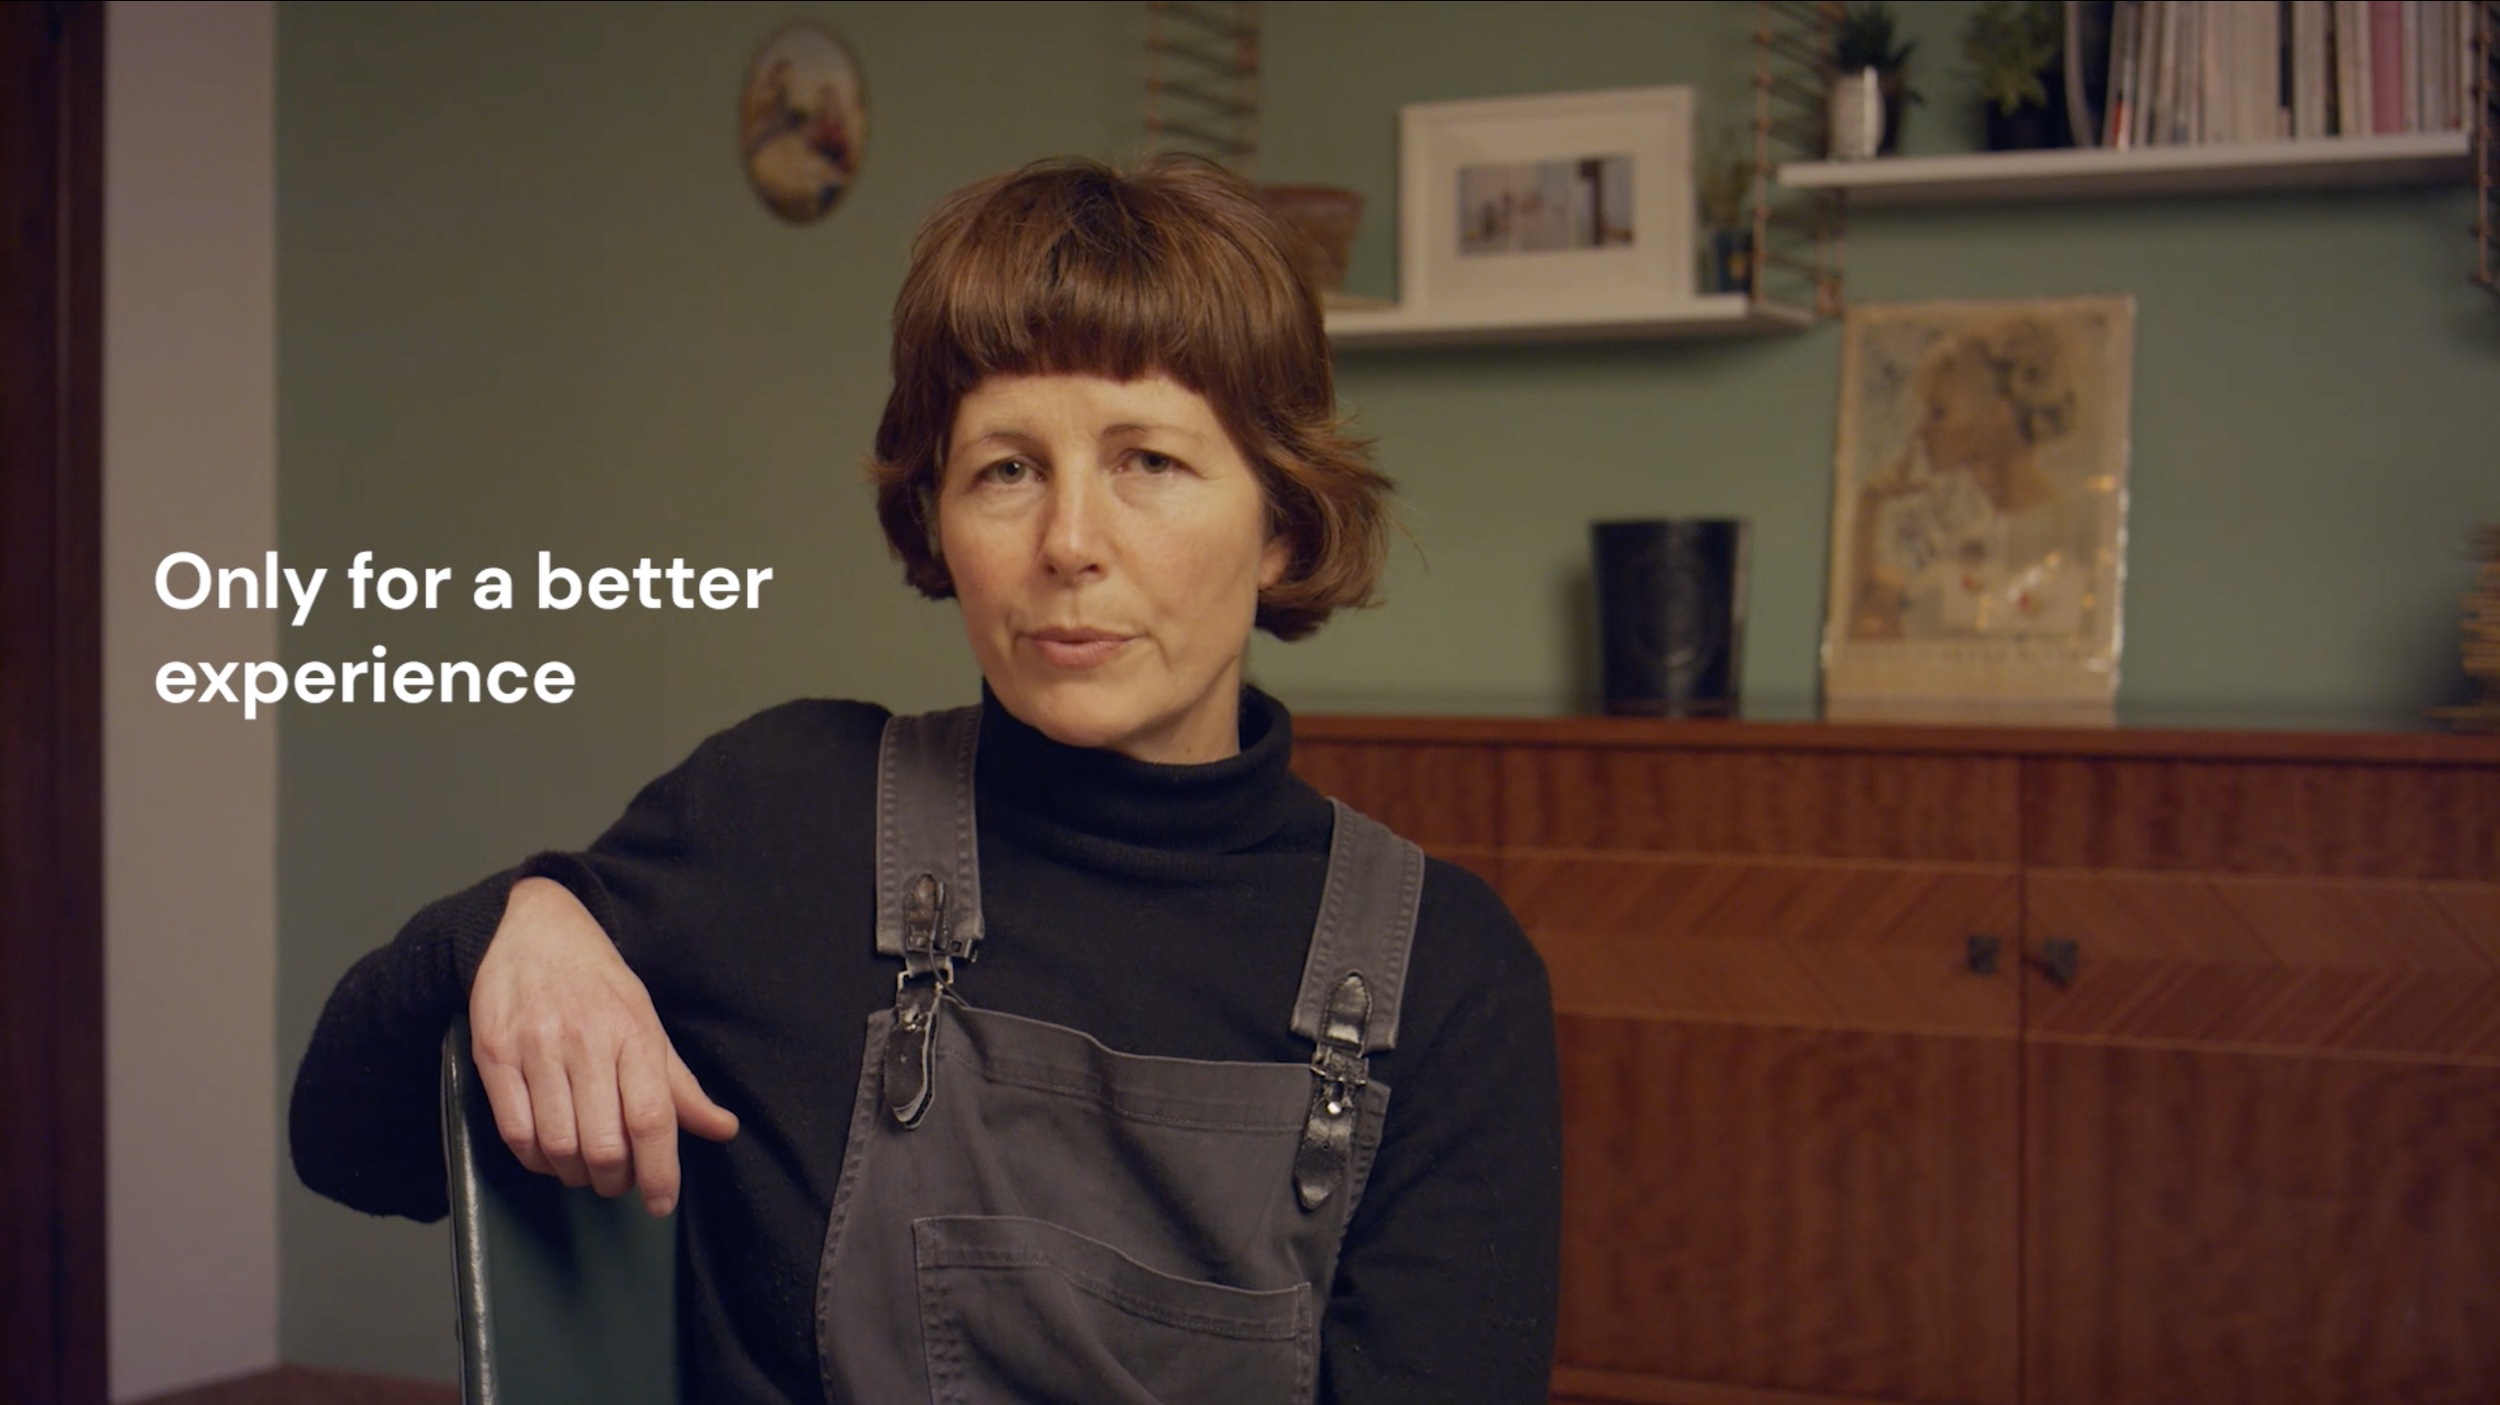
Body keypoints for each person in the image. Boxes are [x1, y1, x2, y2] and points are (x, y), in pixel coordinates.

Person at [291, 154, 1563, 1405]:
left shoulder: (1445, 977)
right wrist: (522, 922)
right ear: (938, 519)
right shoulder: (783, 814)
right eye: (1006, 468)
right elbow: (351, 1141)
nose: (1069, 543)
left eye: (1149, 463)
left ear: (1280, 520)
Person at [1847, 314, 2092, 642]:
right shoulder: (1967, 532)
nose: (1922, 430)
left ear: (1999, 416)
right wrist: (1869, 507)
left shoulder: (2060, 536)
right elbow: (1861, 634)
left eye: (1938, 412)